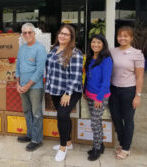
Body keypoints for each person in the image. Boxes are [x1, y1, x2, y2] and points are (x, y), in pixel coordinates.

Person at [45, 25, 83, 161]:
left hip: (70, 91)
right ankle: (68, 142)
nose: (62, 36)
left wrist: (67, 93)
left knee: (62, 115)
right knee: (63, 116)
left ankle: (62, 147)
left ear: (71, 37)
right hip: (55, 89)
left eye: (66, 34)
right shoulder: (53, 49)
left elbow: (76, 75)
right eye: (61, 33)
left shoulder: (75, 53)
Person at [109, 26, 144, 160]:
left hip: (128, 90)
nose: (122, 38)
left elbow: (140, 77)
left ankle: (126, 148)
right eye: (120, 35)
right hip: (113, 90)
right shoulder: (112, 51)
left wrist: (138, 95)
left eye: (126, 36)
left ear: (131, 38)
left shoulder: (136, 53)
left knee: (128, 120)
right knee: (116, 119)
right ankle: (123, 143)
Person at [15, 23, 47, 151]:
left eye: (30, 32)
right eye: (24, 33)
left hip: (35, 87)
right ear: (22, 35)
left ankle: (37, 139)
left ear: (34, 33)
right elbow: (18, 67)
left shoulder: (40, 48)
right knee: (27, 111)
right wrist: (18, 84)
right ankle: (30, 135)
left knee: (36, 113)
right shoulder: (22, 48)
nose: (27, 35)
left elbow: (39, 71)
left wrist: (27, 85)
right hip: (22, 86)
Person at [84, 34, 113, 161]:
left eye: (99, 42)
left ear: (103, 44)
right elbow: (88, 76)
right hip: (89, 95)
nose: (95, 45)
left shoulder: (106, 59)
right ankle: (100, 145)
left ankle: (96, 149)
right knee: (97, 121)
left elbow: (106, 81)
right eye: (93, 42)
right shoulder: (90, 57)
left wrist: (99, 98)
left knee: (94, 122)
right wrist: (85, 92)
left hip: (99, 97)